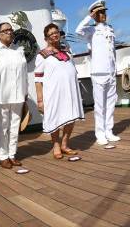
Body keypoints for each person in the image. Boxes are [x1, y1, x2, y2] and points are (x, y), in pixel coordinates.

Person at [34, 23, 85, 159]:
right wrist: (40, 100)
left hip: (70, 90)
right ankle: (56, 145)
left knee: (71, 116)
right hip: (53, 93)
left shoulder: (67, 51)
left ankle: (64, 144)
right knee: (54, 118)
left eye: (56, 32)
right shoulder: (42, 55)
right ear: (46, 38)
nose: (55, 35)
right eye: (51, 33)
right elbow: (38, 79)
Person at [75, 0, 120, 146]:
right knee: (100, 106)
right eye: (100, 13)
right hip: (99, 73)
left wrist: (115, 69)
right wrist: (89, 16)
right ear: (95, 15)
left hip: (111, 71)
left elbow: (112, 51)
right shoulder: (91, 30)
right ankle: (100, 133)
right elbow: (78, 30)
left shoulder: (110, 29)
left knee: (111, 103)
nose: (103, 15)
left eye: (104, 12)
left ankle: (109, 131)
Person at [0, 22, 28, 168]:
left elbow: (24, 73)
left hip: (18, 94)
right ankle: (3, 155)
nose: (9, 32)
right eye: (5, 30)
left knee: (14, 126)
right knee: (2, 126)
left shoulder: (19, 50)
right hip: (1, 95)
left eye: (11, 30)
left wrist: (25, 92)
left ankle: (12, 154)